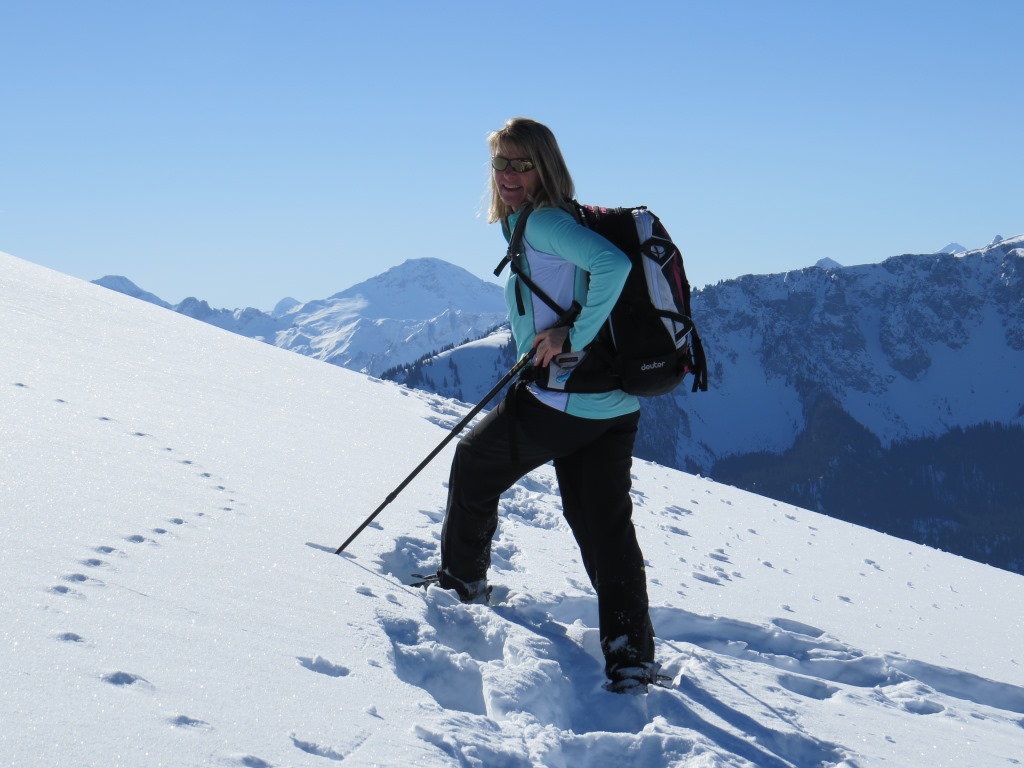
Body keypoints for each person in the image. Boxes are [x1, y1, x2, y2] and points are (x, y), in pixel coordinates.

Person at [436, 117, 658, 692]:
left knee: (474, 463)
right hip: (612, 404)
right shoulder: (552, 218)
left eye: (521, 164)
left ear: (544, 167)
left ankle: (461, 583)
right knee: (604, 525)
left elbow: (614, 266)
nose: (508, 175)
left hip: (561, 400)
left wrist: (571, 337)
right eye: (500, 163)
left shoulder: (544, 223)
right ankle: (631, 654)